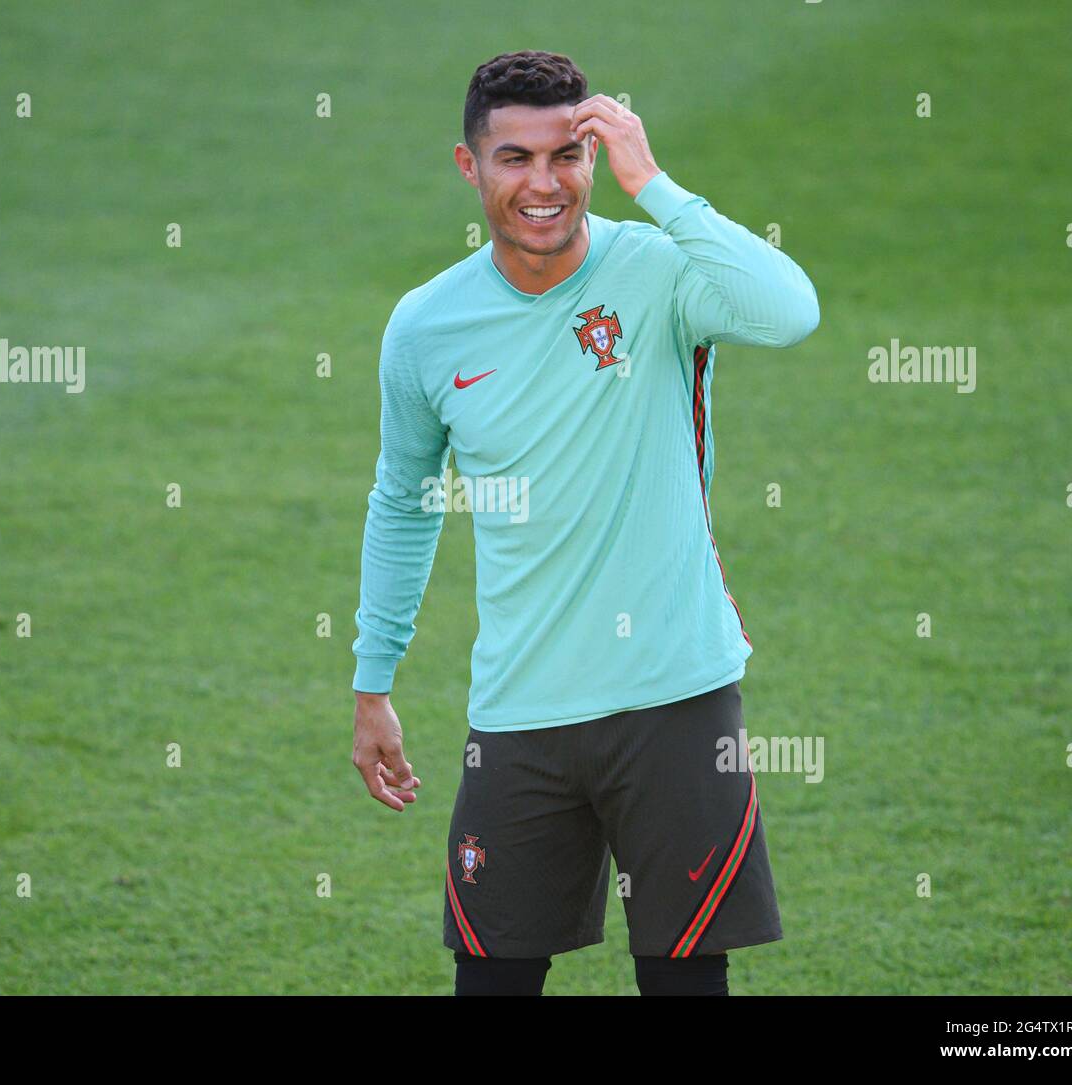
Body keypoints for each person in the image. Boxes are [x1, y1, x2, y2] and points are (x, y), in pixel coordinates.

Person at [351, 50, 819, 996]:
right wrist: (374, 678)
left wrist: (658, 187)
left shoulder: (659, 273)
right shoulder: (426, 326)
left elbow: (790, 311)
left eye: (567, 155)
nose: (542, 185)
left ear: (597, 157)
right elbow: (403, 498)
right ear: (468, 166)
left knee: (685, 983)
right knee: (491, 983)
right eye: (514, 158)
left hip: (677, 698)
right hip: (520, 711)